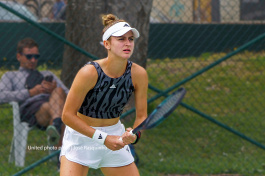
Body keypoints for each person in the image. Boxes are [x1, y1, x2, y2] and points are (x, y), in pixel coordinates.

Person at [60, 14, 148, 176]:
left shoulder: (139, 74)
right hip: (81, 138)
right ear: (107, 44)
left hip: (115, 134)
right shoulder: (89, 73)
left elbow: (141, 116)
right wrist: (103, 138)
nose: (127, 43)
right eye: (121, 39)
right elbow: (67, 115)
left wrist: (135, 135)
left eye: (130, 39)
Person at [0, 38, 68, 148]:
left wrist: (53, 90)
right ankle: (60, 156)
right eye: (29, 56)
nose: (33, 60)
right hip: (32, 108)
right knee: (62, 115)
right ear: (19, 56)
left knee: (59, 91)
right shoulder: (10, 75)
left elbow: (68, 93)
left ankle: (56, 123)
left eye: (36, 57)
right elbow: (1, 96)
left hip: (53, 105)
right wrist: (30, 92)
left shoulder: (47, 73)